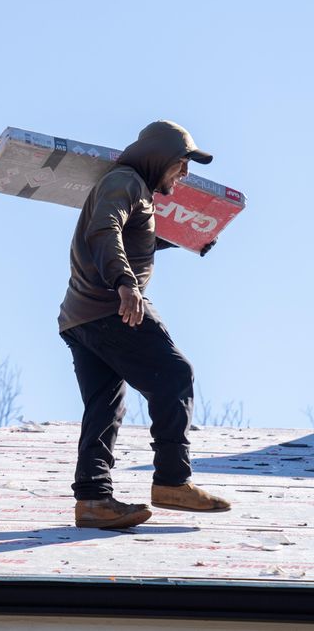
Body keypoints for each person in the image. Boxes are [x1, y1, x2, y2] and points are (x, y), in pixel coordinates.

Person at [59, 120, 231, 530]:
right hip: (111, 308)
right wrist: (126, 286)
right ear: (158, 159)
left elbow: (133, 239)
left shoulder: (131, 190)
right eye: (180, 163)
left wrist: (187, 238)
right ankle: (173, 481)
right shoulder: (126, 183)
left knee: (105, 405)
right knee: (174, 375)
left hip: (80, 316)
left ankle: (93, 500)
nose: (185, 173)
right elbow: (106, 231)